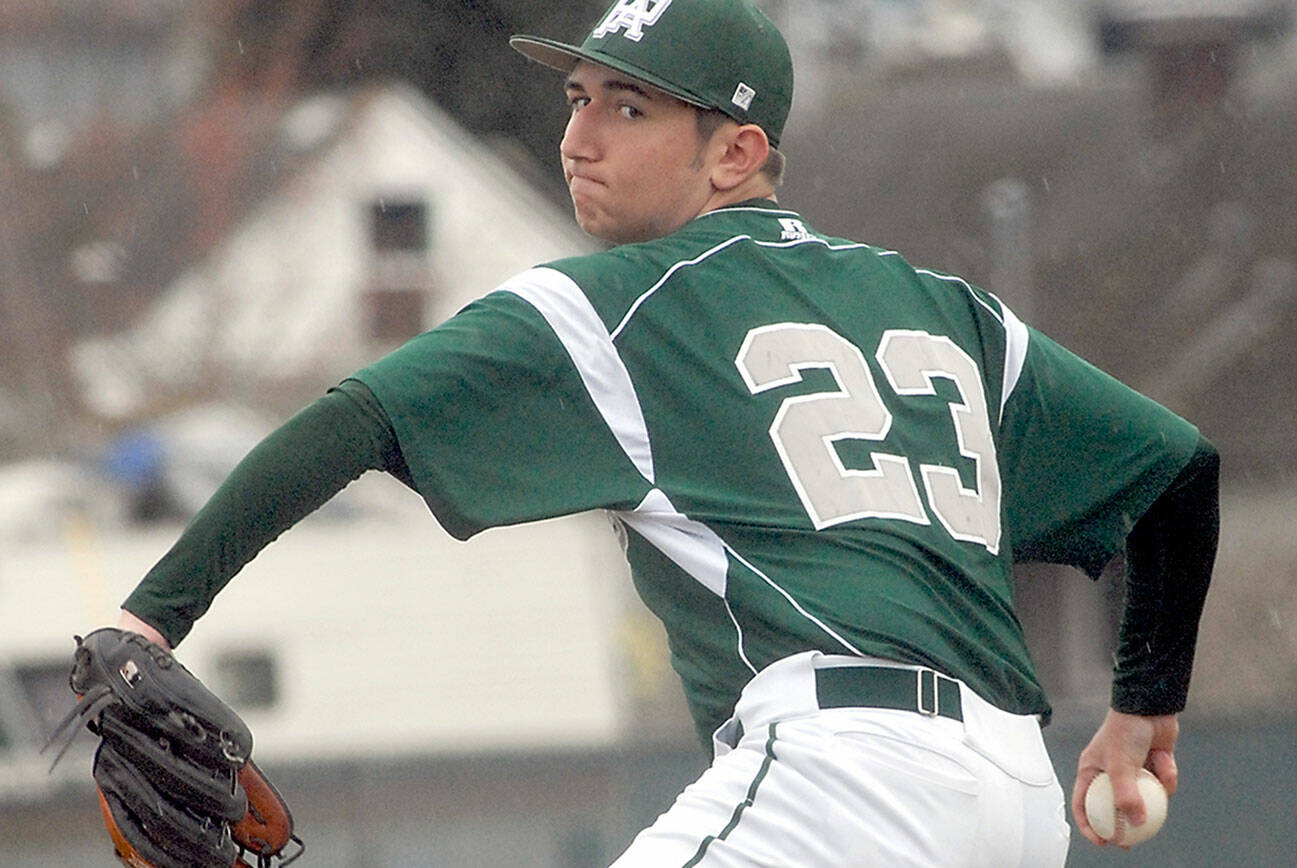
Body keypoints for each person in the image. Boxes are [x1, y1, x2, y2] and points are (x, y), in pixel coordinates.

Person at [112, 0, 1219, 864]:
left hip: (843, 775)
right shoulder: (954, 312)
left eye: (628, 109)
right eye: (580, 96)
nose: (578, 136)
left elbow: (348, 421)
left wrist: (151, 620)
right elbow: (1176, 475)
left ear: (734, 154)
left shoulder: (615, 307)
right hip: (1014, 800)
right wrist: (1142, 710)